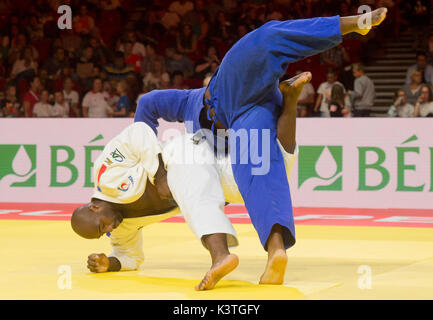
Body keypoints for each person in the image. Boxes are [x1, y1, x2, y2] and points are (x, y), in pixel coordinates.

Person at [134, 9, 388, 284]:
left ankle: (351, 24)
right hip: (253, 113)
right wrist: (156, 168)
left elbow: (147, 104)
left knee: (264, 38)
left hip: (230, 89)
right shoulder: (200, 154)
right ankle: (276, 251)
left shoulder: (188, 100)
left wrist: (151, 164)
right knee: (258, 167)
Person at [70, 73, 302, 290]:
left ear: (95, 207)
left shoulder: (105, 174)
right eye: (104, 233)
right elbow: (130, 256)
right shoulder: (120, 229)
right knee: (260, 175)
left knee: (189, 185)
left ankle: (220, 255)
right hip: (204, 179)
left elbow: (138, 132)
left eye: (103, 225)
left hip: (184, 153)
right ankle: (290, 102)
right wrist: (109, 264)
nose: (109, 229)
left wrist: (159, 174)